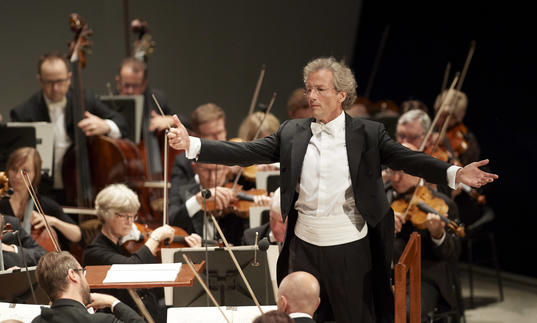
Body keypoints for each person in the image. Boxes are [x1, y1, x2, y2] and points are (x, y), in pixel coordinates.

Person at [167, 56, 498, 323]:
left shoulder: (368, 134)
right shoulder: (291, 131)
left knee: (353, 316)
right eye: (308, 89)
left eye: (320, 90)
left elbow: (408, 159)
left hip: (350, 246)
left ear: (341, 94)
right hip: (304, 246)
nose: (311, 96)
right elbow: (245, 152)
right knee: (300, 316)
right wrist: (193, 143)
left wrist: (454, 172)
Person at [10, 52, 129, 203]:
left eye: (60, 81)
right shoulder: (24, 112)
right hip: (44, 193)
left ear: (69, 78)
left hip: (82, 188)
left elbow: (122, 123)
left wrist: (105, 126)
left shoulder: (85, 99)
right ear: (40, 80)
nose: (55, 88)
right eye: (49, 82)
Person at [82, 184, 200, 323]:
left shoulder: (128, 245)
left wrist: (191, 251)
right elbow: (132, 268)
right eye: (124, 216)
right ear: (106, 215)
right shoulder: (94, 252)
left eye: (133, 216)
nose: (130, 221)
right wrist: (155, 238)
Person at [386, 143, 463, 320]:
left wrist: (438, 235)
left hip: (421, 278)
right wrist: (382, 222)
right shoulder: (380, 196)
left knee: (401, 314)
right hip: (381, 273)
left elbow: (453, 253)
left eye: (402, 172)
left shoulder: (442, 203)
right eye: (392, 171)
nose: (396, 179)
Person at [115, 58, 189, 178]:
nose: (130, 91)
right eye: (126, 85)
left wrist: (170, 119)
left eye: (135, 86)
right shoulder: (110, 104)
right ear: (118, 81)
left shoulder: (157, 99)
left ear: (144, 84)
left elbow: (188, 123)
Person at [169, 161, 269, 246]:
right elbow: (172, 222)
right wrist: (197, 200)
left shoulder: (237, 194)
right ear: (195, 168)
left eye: (217, 170)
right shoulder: (181, 192)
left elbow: (249, 237)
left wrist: (257, 210)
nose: (212, 177)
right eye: (206, 170)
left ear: (226, 169)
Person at [0, 147, 81, 251]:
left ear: (35, 174)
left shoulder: (44, 204)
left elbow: (77, 235)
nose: (17, 176)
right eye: (14, 169)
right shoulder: (1, 203)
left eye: (25, 171)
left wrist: (53, 221)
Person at [32, 251, 144, 323]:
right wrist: (112, 302)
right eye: (82, 271)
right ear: (73, 275)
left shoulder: (37, 321)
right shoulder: (102, 321)